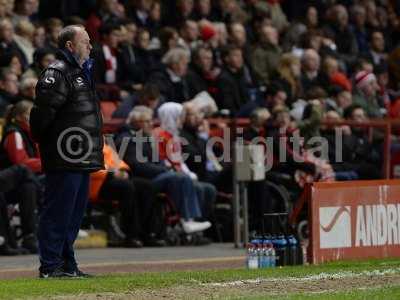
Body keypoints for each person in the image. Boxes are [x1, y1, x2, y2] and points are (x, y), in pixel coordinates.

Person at [30, 25, 104, 278]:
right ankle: (50, 267)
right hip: (64, 156)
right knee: (57, 214)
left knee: (72, 216)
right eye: (85, 41)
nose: (90, 46)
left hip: (79, 156)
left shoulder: (80, 72)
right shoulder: (57, 72)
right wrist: (54, 146)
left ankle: (66, 265)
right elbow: (41, 117)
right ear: (70, 46)